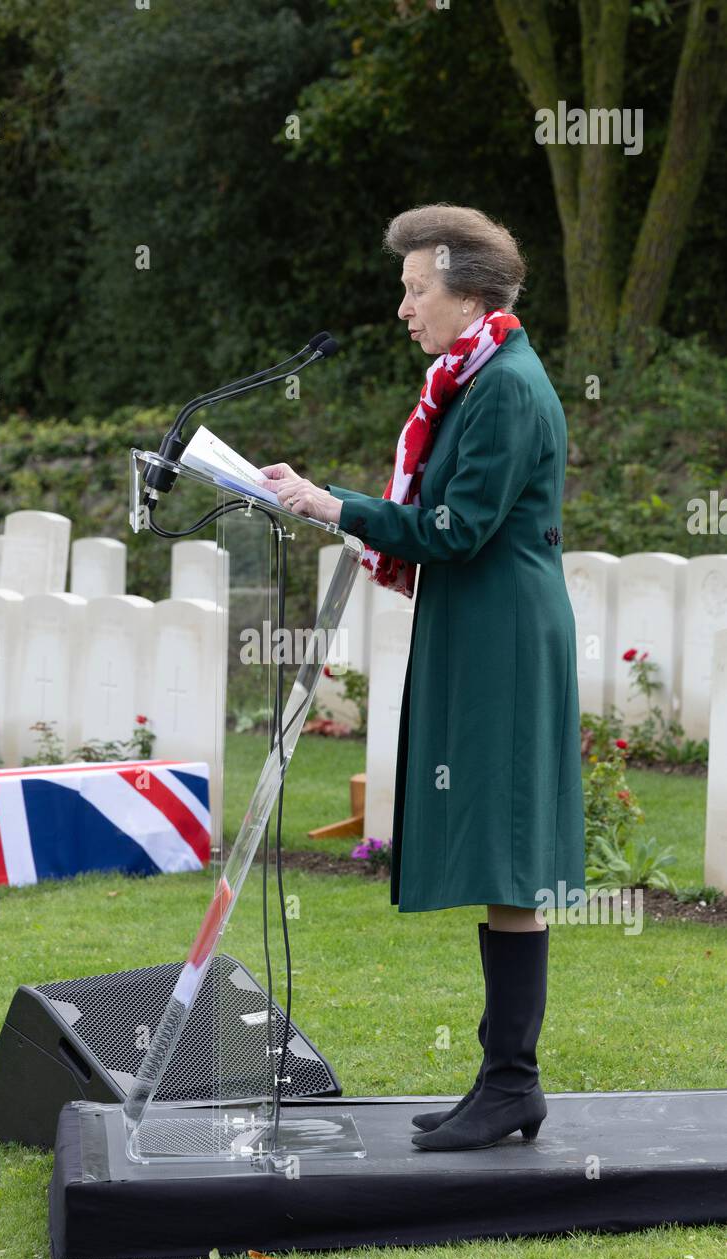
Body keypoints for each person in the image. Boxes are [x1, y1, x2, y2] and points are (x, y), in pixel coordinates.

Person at [260, 203, 585, 1152]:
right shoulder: (474, 380)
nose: (405, 310)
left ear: (467, 291)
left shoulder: (507, 388)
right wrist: (337, 505)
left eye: (415, 291)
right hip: (478, 625)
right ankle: (504, 1082)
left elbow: (455, 529)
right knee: (498, 856)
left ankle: (511, 1084)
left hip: (504, 636)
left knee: (509, 854)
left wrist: (335, 505)